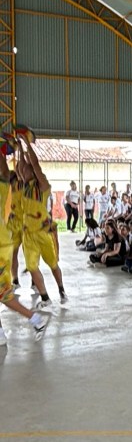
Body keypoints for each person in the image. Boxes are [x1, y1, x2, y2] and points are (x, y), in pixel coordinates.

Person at [0, 145, 48, 341]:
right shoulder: (12, 187)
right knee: (3, 293)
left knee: (4, 294)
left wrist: (17, 148)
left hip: (5, 244)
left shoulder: (7, 188)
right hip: (11, 237)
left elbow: (9, 171)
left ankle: (36, 318)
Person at [16, 137, 67, 307]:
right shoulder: (25, 186)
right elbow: (21, 165)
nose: (22, 172)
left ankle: (61, 290)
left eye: (25, 170)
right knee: (31, 266)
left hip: (43, 232)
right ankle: (45, 298)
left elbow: (35, 164)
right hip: (28, 234)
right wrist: (18, 148)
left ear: (33, 172)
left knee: (53, 264)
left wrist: (26, 143)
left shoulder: (43, 186)